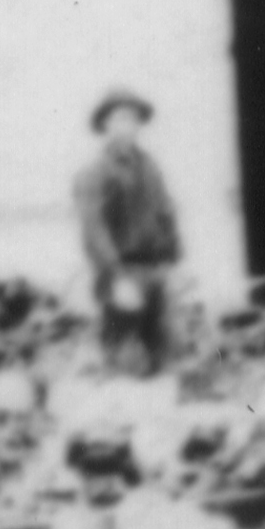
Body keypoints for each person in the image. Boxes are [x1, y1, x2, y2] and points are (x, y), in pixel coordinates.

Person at [69, 90, 185, 379]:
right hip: (121, 274)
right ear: (105, 125)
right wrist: (116, 276)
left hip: (154, 272)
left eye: (133, 118)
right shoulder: (95, 172)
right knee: (123, 357)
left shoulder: (150, 166)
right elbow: (94, 230)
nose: (127, 125)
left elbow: (166, 212)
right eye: (120, 118)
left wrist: (173, 260)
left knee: (163, 355)